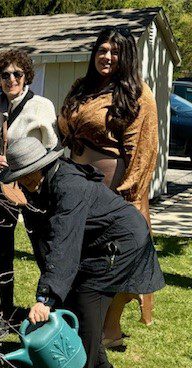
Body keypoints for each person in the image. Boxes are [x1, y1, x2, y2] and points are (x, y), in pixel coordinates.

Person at [0, 137, 164, 368]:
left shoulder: (69, 186)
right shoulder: (42, 182)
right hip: (101, 239)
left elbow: (64, 243)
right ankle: (99, 365)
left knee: (89, 297)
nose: (24, 181)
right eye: (19, 176)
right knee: (79, 296)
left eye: (27, 174)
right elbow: (46, 238)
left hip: (122, 241)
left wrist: (46, 299)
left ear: (41, 166)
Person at [59, 26, 159, 347]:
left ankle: (110, 331)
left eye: (114, 51)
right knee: (78, 255)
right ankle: (83, 321)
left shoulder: (137, 95)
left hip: (111, 189)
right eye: (102, 50)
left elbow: (143, 151)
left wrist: (127, 197)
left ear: (126, 56)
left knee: (111, 259)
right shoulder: (83, 87)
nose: (107, 56)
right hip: (75, 186)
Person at [0, 48, 60, 339]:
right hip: (2, 189)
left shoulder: (41, 106)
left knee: (44, 248)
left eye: (17, 73)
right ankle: (5, 313)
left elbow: (53, 149)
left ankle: (51, 307)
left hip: (36, 189)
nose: (11, 79)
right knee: (2, 250)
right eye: (5, 75)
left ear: (27, 76)